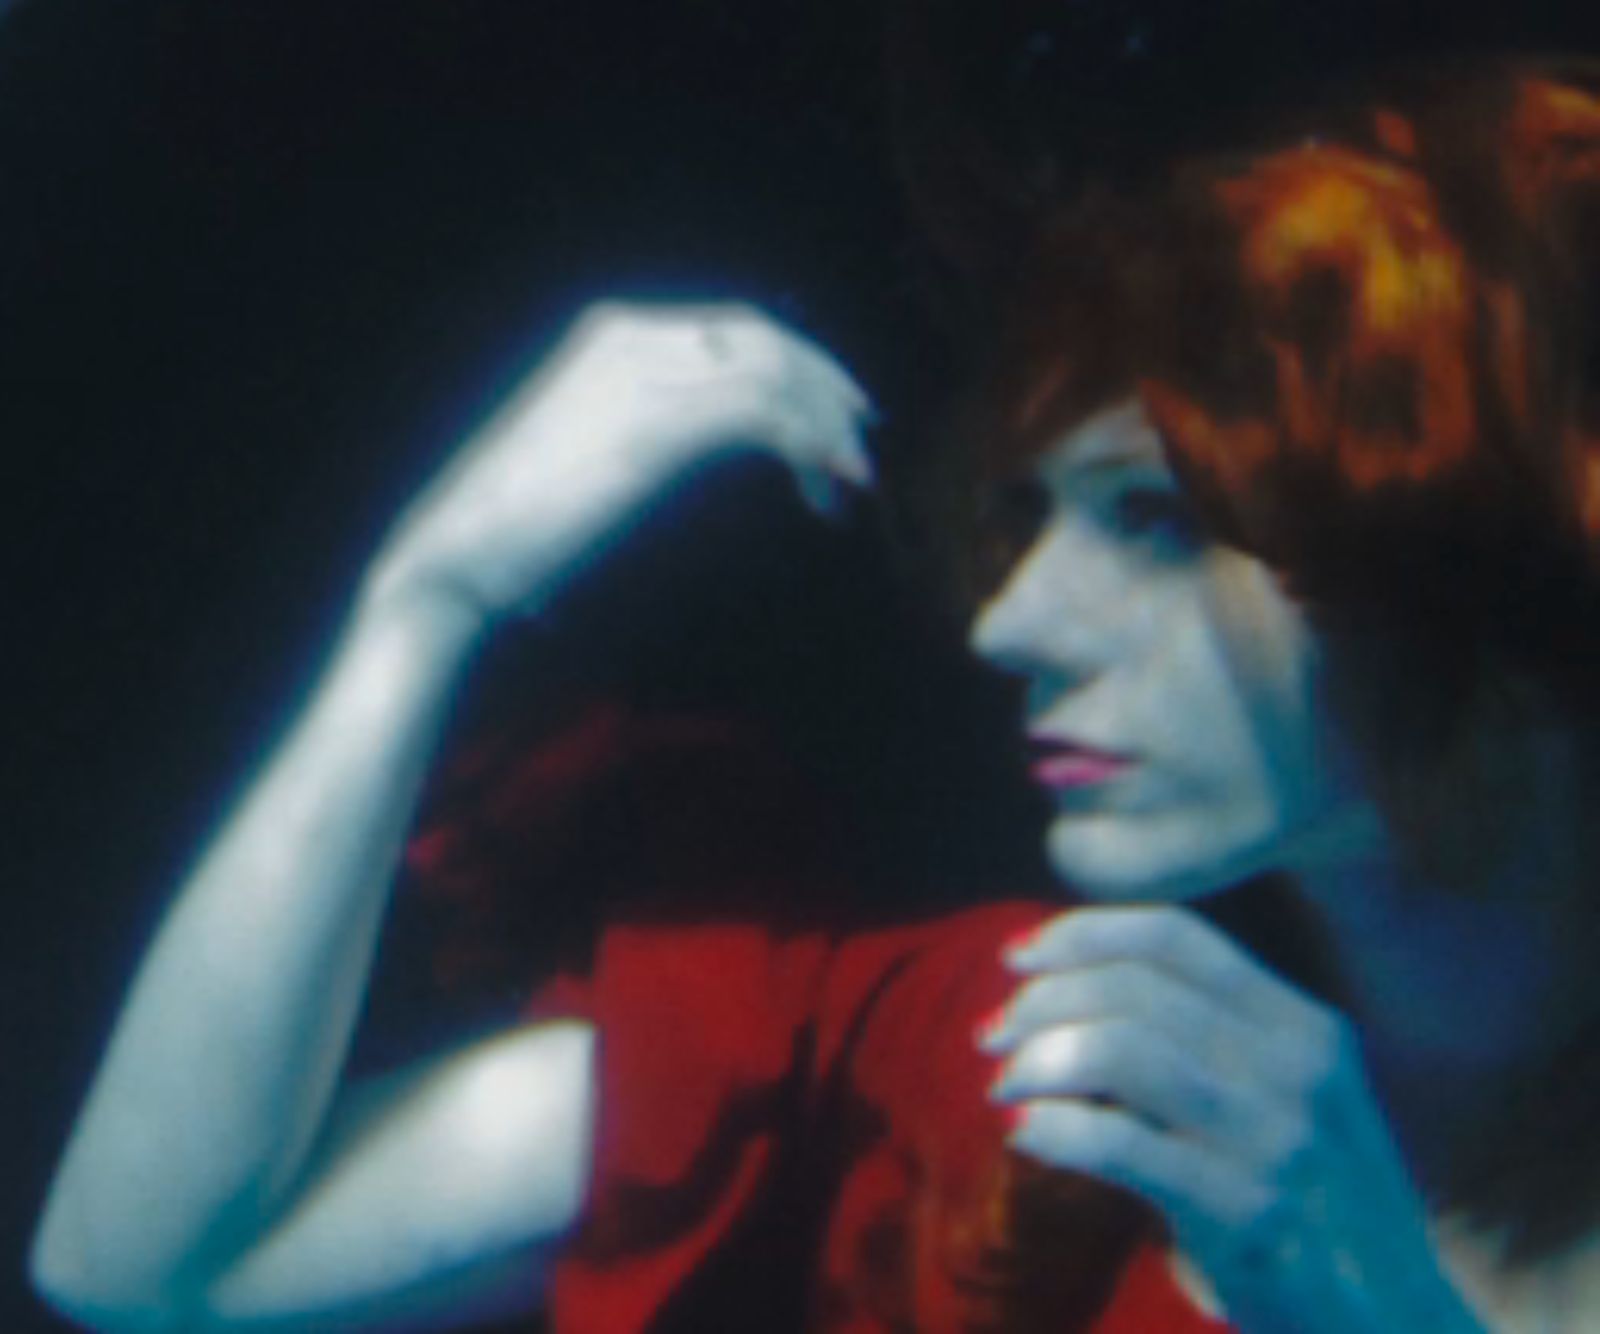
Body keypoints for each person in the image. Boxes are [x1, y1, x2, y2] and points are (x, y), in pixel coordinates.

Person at [30, 56, 1600, 1334]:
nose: (1012, 621)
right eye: (1035, 518)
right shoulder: (996, 1050)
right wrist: (430, 593)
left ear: (1479, 561)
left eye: (1158, 520)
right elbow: (146, 1265)